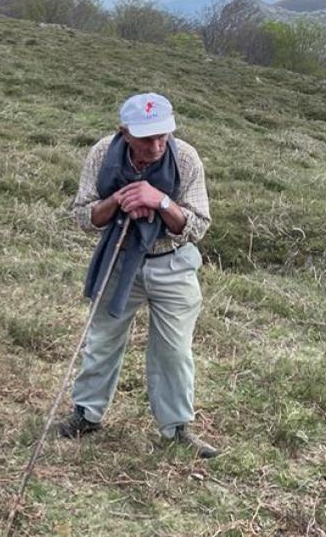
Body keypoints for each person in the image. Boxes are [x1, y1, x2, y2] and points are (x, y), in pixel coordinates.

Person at [58, 92, 219, 458]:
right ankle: (86, 414)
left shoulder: (186, 158)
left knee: (174, 350)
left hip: (173, 263)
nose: (157, 145)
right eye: (147, 138)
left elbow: (197, 225)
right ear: (125, 132)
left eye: (163, 135)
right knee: (102, 340)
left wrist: (159, 201)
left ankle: (177, 428)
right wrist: (117, 200)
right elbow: (84, 216)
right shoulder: (102, 154)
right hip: (119, 260)